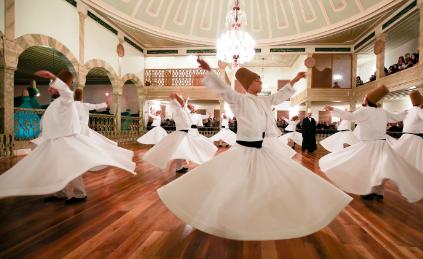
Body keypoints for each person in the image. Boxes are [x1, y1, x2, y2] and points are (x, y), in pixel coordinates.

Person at [156, 59, 352, 241]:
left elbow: (279, 96)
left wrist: (295, 79)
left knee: (271, 180)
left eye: (260, 81)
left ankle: (259, 210)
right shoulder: (239, 99)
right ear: (249, 84)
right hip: (243, 150)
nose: (260, 83)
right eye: (258, 81)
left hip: (260, 149)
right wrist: (209, 71)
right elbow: (223, 89)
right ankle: (231, 212)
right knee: (232, 183)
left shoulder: (264, 100)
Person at [0, 70, 136, 203]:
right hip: (56, 140)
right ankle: (61, 193)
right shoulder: (57, 103)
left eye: (51, 87)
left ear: (60, 87)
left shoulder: (66, 99)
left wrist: (54, 77)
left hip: (67, 139)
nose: (48, 90)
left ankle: (80, 194)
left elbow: (67, 93)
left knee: (73, 166)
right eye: (49, 87)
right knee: (59, 167)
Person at [319, 85, 423, 202]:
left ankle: (369, 192)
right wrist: (408, 111)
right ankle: (379, 193)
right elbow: (397, 117)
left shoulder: (364, 111)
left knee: (370, 168)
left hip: (369, 145)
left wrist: (333, 109)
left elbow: (349, 116)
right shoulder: (382, 112)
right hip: (382, 145)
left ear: (367, 100)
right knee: (381, 168)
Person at [143, 93, 217, 173]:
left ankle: (180, 167)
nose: (182, 104)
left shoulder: (182, 110)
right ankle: (180, 167)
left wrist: (182, 99)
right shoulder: (177, 111)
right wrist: (176, 97)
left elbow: (184, 105)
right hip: (180, 134)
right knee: (181, 150)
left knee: (183, 150)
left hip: (185, 134)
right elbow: (181, 103)